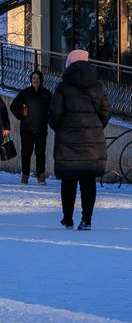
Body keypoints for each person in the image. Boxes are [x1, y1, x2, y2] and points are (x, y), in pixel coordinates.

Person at [49, 49, 111, 231]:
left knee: (68, 181)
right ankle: (87, 220)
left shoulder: (63, 87)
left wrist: (60, 127)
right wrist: (95, 127)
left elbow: (54, 114)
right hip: (92, 141)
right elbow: (106, 111)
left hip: (68, 141)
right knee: (88, 181)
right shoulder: (97, 86)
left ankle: (67, 218)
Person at [10, 70, 52, 185]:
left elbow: (53, 109)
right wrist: (21, 117)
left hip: (41, 129)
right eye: (33, 78)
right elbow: (13, 106)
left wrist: (48, 119)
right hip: (26, 129)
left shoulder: (47, 94)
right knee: (26, 153)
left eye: (38, 78)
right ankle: (25, 175)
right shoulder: (25, 93)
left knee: (40, 153)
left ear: (41, 80)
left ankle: (41, 176)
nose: (36, 80)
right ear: (31, 80)